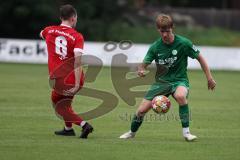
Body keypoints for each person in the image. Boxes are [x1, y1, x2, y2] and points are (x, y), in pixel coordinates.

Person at [119, 14, 216, 141]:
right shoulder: (155, 47)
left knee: (181, 96)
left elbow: (200, 58)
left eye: (167, 31)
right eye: (162, 31)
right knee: (141, 111)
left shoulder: (184, 43)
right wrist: (141, 71)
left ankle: (186, 133)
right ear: (158, 29)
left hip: (179, 81)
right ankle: (131, 132)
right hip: (161, 83)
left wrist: (209, 78)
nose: (164, 34)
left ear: (172, 28)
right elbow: (143, 65)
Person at [40, 4, 93, 139]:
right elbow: (77, 61)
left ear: (60, 17)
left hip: (61, 79)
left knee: (58, 104)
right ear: (73, 18)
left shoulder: (49, 31)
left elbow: (41, 34)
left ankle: (84, 125)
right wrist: (76, 84)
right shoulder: (77, 36)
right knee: (65, 104)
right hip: (75, 77)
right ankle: (68, 129)